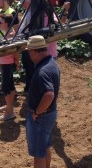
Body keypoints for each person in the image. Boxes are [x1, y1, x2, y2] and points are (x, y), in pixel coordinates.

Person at [25, 35, 60, 168]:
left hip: (41, 117)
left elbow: (49, 94)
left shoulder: (42, 71)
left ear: (34, 51)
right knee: (45, 147)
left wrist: (37, 112)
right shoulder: (52, 63)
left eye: (29, 52)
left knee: (38, 155)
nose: (29, 55)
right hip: (49, 114)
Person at [0, 14, 20, 121]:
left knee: (6, 87)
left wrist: (17, 62)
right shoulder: (5, 33)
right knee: (10, 85)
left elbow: (16, 51)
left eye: (1, 21)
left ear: (7, 23)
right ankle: (8, 106)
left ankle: (10, 112)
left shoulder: (11, 35)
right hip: (4, 62)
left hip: (8, 63)